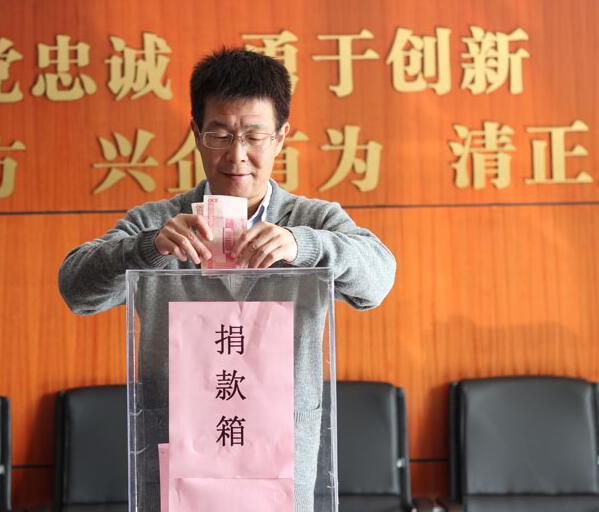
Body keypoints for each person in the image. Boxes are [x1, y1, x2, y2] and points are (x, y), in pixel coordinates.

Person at [58, 48, 396, 512]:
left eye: (254, 136)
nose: (237, 155)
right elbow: (76, 289)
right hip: (179, 464)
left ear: (281, 137)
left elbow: (378, 278)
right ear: (196, 134)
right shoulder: (158, 223)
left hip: (281, 464)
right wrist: (147, 248)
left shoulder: (312, 221)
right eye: (219, 134)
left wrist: (303, 245)